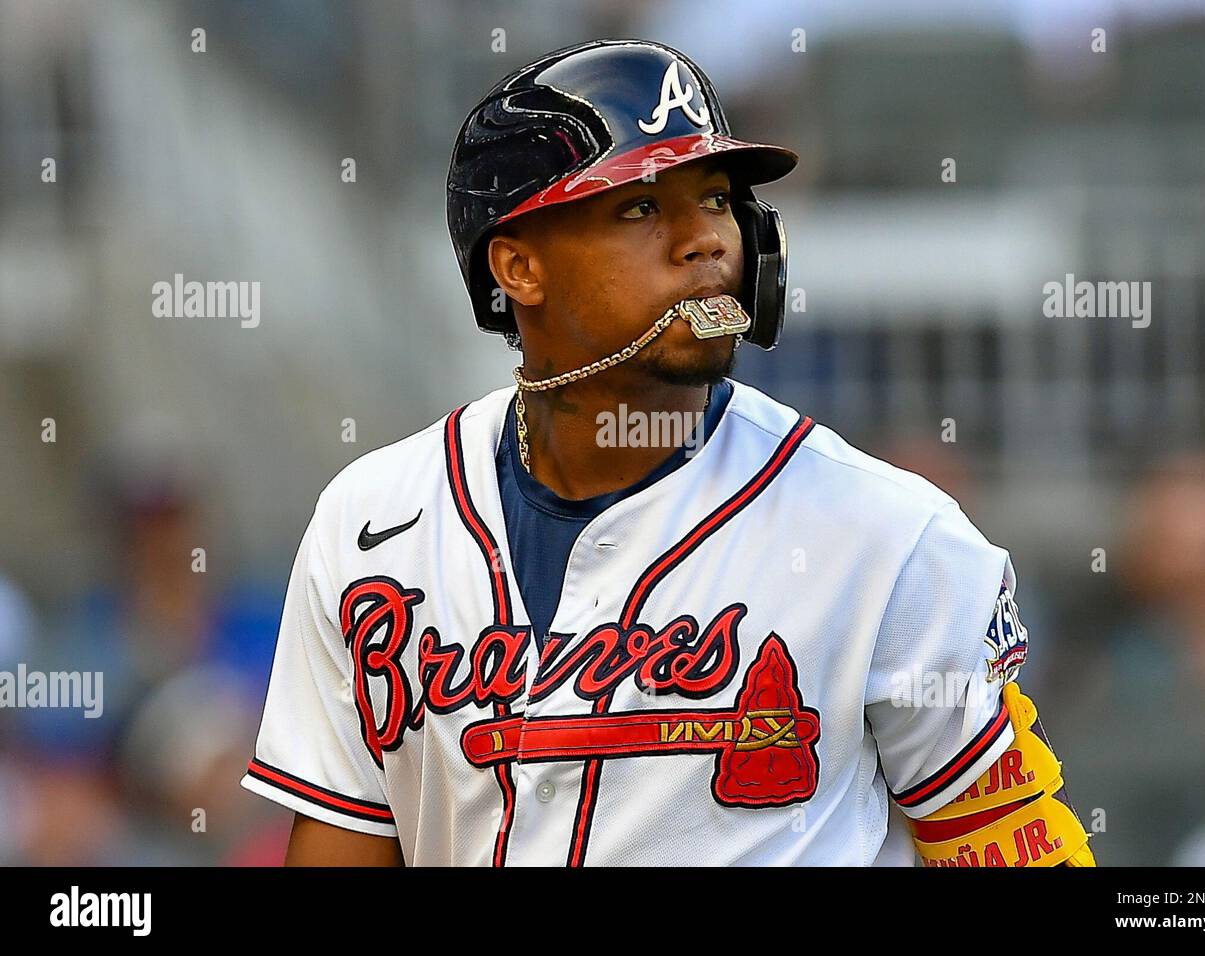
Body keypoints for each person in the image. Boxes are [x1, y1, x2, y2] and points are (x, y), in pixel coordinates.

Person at [240, 38, 1094, 867]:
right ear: (519, 268)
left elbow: (1008, 840)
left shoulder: (887, 535)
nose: (707, 242)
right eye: (643, 206)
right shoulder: (373, 519)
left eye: (718, 199)